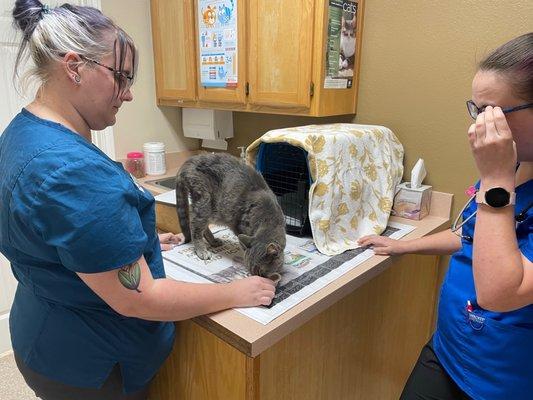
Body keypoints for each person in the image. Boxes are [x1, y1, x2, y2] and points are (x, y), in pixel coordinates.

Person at [0, 1, 276, 399]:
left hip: (43, 332)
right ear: (74, 66)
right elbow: (139, 297)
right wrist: (237, 292)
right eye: (121, 77)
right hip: (88, 365)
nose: (128, 95)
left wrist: (132, 246)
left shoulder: (26, 130)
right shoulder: (70, 171)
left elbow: (59, 235)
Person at [359, 32, 533, 400]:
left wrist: (496, 180)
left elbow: (500, 293)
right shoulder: (514, 164)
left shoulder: (499, 174)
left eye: (493, 113)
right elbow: (474, 234)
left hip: (502, 381)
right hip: (448, 351)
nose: (477, 128)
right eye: (476, 110)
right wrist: (405, 246)